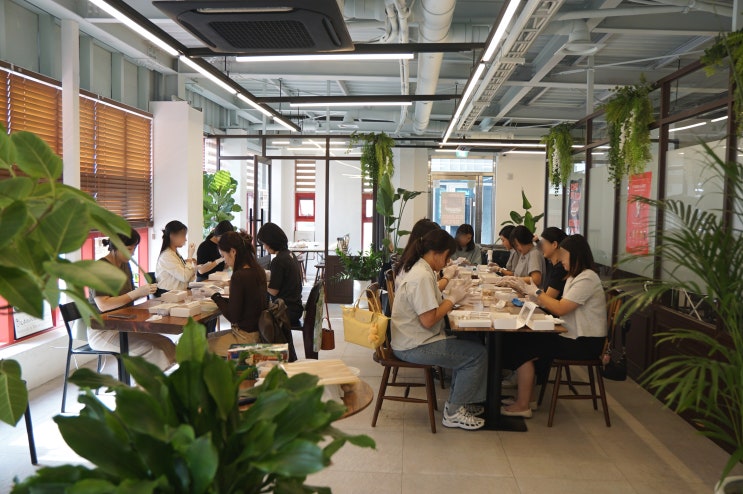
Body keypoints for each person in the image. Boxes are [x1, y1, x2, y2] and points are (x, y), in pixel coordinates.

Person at [502, 234, 608, 418]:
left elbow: (560, 308)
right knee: (525, 339)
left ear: (576, 257)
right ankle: (529, 399)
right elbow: (555, 305)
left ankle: (523, 405)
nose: (561, 260)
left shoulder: (587, 278)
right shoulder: (575, 276)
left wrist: (536, 292)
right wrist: (531, 294)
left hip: (585, 343)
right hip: (571, 335)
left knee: (522, 347)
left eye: (564, 256)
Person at [392, 228, 488, 430]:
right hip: (413, 345)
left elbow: (430, 307)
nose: (447, 262)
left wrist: (454, 299)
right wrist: (452, 299)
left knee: (472, 342)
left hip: (415, 338)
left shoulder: (423, 269)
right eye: (447, 257)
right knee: (476, 355)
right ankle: (453, 412)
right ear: (436, 253)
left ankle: (461, 400)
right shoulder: (421, 276)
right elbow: (428, 320)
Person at [88, 230, 176, 371]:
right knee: (153, 350)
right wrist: (136, 293)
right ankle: (145, 384)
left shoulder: (124, 265)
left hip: (124, 325)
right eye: (129, 249)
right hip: (103, 331)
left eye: (134, 248)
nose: (133, 253)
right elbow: (103, 305)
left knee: (166, 343)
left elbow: (127, 297)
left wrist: (144, 292)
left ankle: (157, 383)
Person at [208, 230, 268, 356]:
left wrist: (215, 296)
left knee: (195, 347)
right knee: (207, 338)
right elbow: (245, 303)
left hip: (244, 339)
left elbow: (233, 317)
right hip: (259, 334)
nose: (225, 261)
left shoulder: (239, 276)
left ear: (233, 252)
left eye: (223, 255)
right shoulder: (258, 271)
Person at [256, 222, 303, 325]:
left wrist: (259, 283)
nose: (264, 247)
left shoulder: (278, 261)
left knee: (254, 315)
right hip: (295, 307)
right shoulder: (290, 254)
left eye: (264, 244)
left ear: (271, 242)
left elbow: (273, 291)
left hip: (285, 311)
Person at [156, 220, 197, 292]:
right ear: (172, 236)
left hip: (179, 292)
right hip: (168, 294)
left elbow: (189, 278)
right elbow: (184, 277)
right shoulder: (166, 256)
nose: (185, 239)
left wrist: (193, 267)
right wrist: (189, 257)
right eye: (183, 235)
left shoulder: (175, 253)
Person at [539, 227, 568, 298]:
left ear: (554, 244)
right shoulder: (551, 265)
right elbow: (545, 292)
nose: (542, 247)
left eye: (544, 244)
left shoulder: (561, 268)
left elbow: (547, 299)